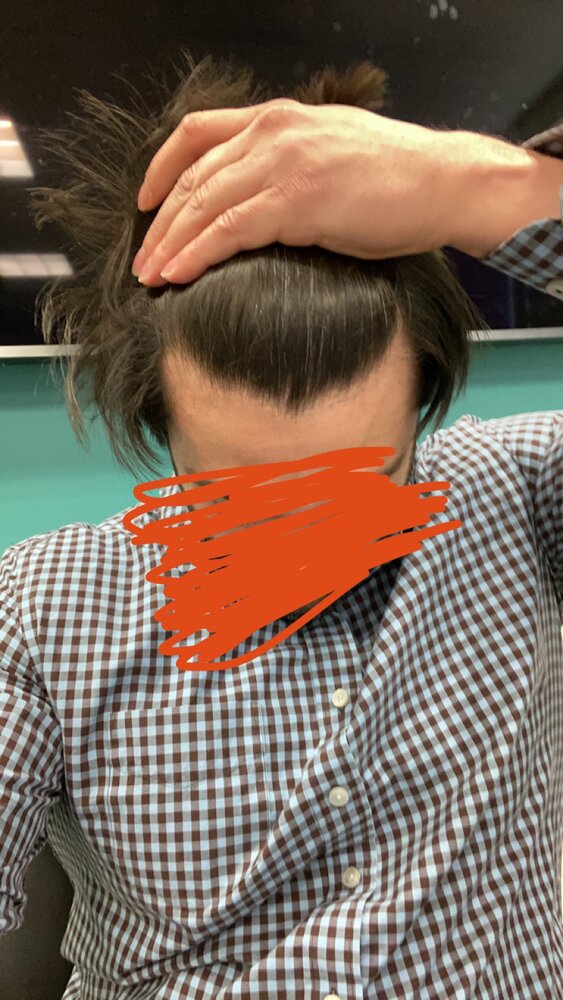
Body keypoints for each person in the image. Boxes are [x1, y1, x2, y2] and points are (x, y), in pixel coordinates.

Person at [1, 49, 562, 998]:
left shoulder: (524, 495)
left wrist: (478, 188)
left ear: (424, 403)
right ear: (157, 429)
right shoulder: (39, 608)